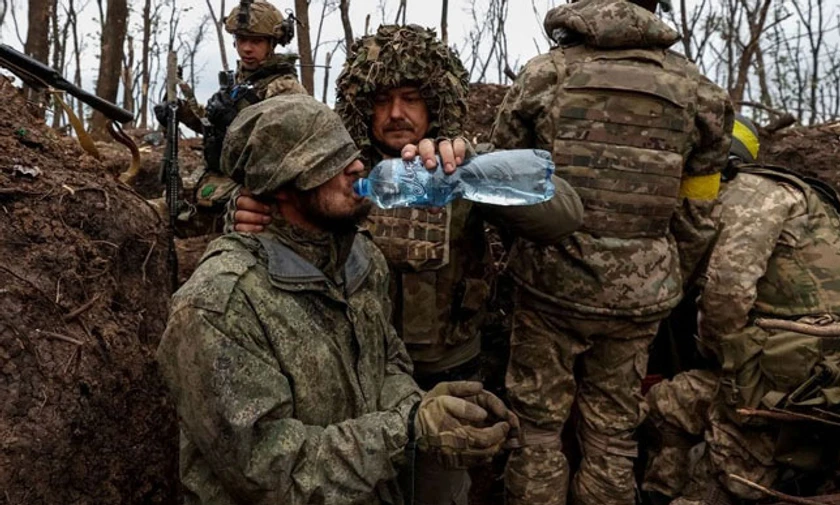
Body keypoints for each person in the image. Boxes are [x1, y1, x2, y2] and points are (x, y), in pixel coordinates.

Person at [232, 25, 584, 504]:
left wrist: (472, 170)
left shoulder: (458, 165)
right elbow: (263, 222)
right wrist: (244, 211)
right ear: (361, 104)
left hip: (446, 373)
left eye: (412, 98)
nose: (396, 113)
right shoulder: (332, 176)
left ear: (436, 100)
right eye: (381, 100)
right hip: (356, 381)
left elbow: (564, 215)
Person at [156, 95, 519, 505]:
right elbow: (268, 472)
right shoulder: (219, 307)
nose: (357, 167)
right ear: (281, 186)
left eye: (348, 153)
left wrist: (427, 410)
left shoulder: (360, 259)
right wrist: (406, 430)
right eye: (327, 161)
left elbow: (387, 364)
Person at [487, 1, 734, 504]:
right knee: (613, 436)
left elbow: (504, 186)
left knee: (536, 431)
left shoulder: (545, 74)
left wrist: (530, 256)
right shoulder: (700, 92)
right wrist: (665, 276)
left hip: (549, 288)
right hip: (640, 299)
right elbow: (697, 214)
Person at [642, 115, 840, 504]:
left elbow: (727, 293)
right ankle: (658, 490)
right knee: (665, 404)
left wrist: (716, 351)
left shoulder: (751, 195)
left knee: (722, 475)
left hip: (803, 360)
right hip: (808, 352)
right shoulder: (769, 192)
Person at [155, 0, 306, 234]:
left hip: (254, 195)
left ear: (272, 43)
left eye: (256, 41)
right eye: (241, 40)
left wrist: (239, 125)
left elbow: (290, 150)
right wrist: (179, 112)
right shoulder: (240, 81)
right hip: (217, 180)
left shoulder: (285, 88)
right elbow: (211, 124)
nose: (247, 48)